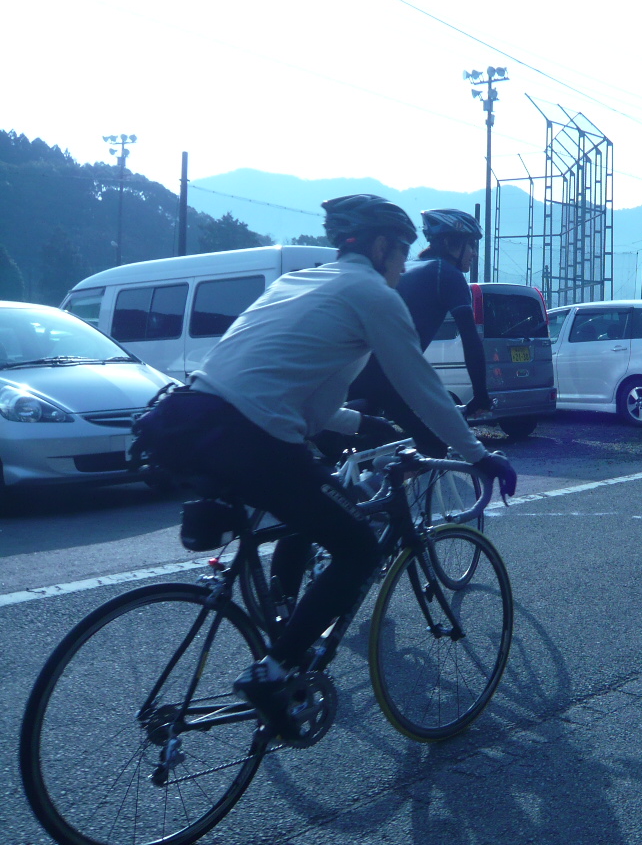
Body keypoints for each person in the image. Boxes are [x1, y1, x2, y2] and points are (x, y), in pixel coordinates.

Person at [133, 194, 517, 733]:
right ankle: (272, 674)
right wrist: (479, 455)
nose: (404, 265)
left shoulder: (298, 281)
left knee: (309, 509)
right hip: (252, 438)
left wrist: (361, 424)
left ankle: (281, 617)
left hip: (189, 420)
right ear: (381, 247)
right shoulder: (373, 294)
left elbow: (289, 390)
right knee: (358, 547)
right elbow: (422, 387)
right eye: (401, 252)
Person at [347, 208, 491, 456]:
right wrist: (481, 395)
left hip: (353, 371)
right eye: (471, 245)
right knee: (434, 446)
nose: (475, 253)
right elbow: (471, 340)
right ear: (451, 243)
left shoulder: (408, 267)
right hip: (386, 378)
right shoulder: (448, 274)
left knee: (366, 450)